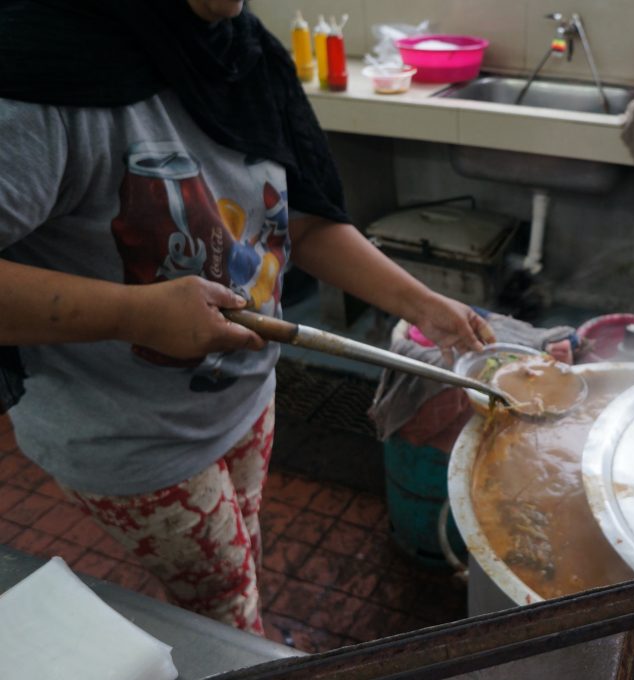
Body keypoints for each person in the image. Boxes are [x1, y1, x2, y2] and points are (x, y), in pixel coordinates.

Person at [0, 0, 494, 634]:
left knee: (241, 560)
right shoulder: (38, 78)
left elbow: (305, 224)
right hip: (129, 435)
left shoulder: (238, 51)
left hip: (245, 395)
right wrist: (135, 314)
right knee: (222, 603)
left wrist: (426, 304)